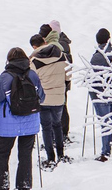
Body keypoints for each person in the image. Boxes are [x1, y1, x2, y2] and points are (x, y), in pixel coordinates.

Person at [0, 48, 45, 190]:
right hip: (30, 122)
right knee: (25, 155)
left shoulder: (6, 76)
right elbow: (42, 96)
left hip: (8, 124)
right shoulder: (33, 75)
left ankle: (1, 185)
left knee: (1, 154)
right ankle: (24, 185)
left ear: (9, 60)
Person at [29, 33, 71, 169]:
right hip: (59, 97)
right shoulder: (61, 55)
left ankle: (50, 157)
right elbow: (68, 76)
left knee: (46, 128)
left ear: (34, 46)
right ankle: (61, 154)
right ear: (45, 42)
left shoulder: (34, 61)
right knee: (57, 125)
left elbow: (31, 81)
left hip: (43, 98)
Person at [89, 28, 112, 162]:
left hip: (100, 92)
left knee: (105, 122)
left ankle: (105, 153)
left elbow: (93, 76)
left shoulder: (98, 56)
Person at [49, 20, 73, 141]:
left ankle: (63, 133)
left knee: (61, 108)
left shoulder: (61, 44)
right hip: (62, 80)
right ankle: (61, 133)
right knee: (61, 107)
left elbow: (66, 64)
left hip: (61, 81)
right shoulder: (63, 42)